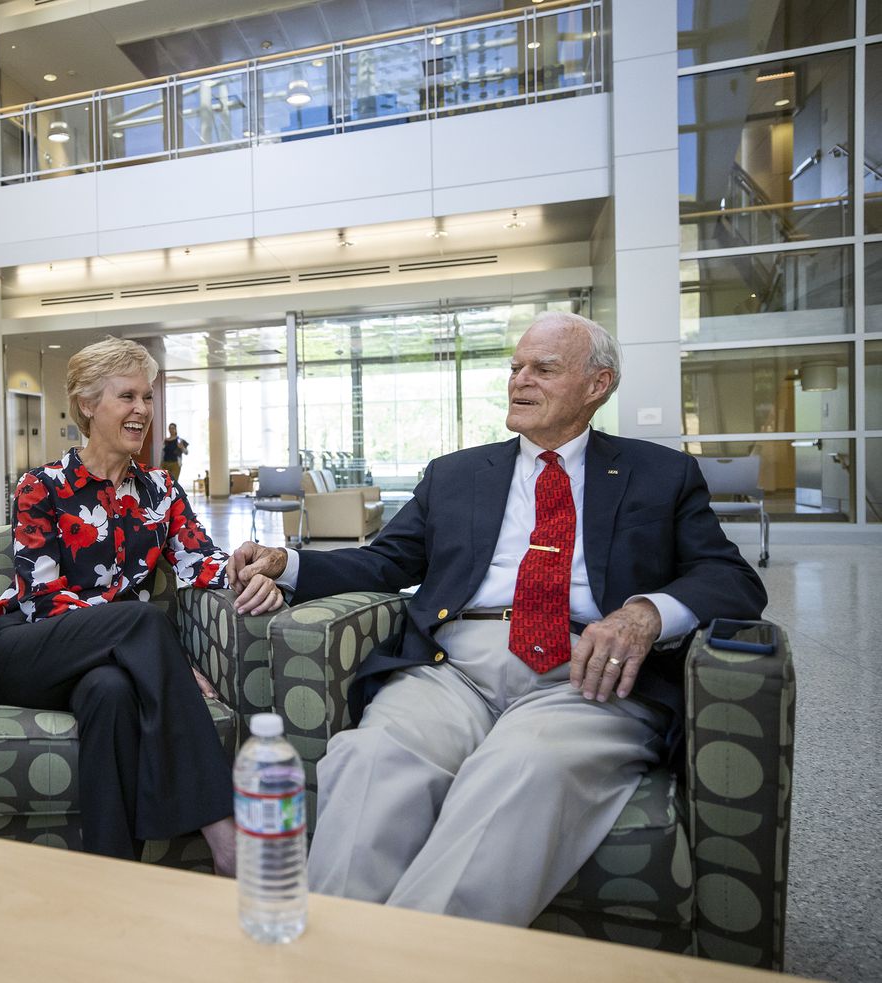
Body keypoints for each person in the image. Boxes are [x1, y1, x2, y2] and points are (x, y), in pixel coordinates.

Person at [228, 311, 767, 925]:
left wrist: (644, 614)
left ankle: (415, 966)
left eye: (543, 368)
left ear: (599, 385)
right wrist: (286, 563)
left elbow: (731, 579)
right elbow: (385, 562)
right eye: (515, 368)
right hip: (452, 667)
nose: (520, 381)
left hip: (584, 675)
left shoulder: (658, 473)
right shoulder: (456, 474)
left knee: (520, 768)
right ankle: (327, 953)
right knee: (371, 758)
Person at [0, 337, 281, 871]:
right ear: (88, 406)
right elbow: (44, 598)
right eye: (127, 397)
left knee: (112, 693)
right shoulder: (40, 487)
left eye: (147, 397)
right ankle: (222, 828)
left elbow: (200, 562)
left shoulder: (161, 490)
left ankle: (112, 874)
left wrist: (256, 566)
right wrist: (162, 659)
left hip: (107, 666)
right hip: (25, 653)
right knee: (140, 621)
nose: (142, 410)